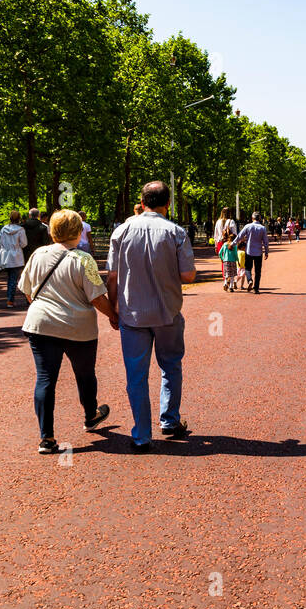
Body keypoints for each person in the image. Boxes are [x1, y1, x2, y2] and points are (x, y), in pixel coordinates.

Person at [106, 181, 197, 451]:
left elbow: (112, 276)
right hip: (167, 312)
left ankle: (141, 435)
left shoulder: (121, 231)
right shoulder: (176, 232)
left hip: (132, 314)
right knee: (170, 366)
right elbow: (188, 274)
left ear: (142, 201)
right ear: (167, 203)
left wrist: (114, 308)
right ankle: (169, 420)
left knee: (136, 375)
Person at [19, 208, 115, 455]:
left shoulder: (38, 254)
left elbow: (28, 291)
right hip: (78, 327)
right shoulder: (84, 259)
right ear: (78, 231)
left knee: (45, 378)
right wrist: (114, 316)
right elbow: (97, 298)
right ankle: (90, 414)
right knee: (84, 374)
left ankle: (46, 438)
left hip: (40, 324)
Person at [0, 210, 28, 306]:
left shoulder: (3, 229)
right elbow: (24, 244)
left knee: (10, 278)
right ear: (19, 219)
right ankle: (11, 299)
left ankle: (10, 299)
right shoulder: (21, 230)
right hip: (16, 256)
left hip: (5, 256)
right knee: (14, 278)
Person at [235, 211, 270, 294]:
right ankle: (256, 288)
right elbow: (265, 241)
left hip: (249, 251)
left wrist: (233, 244)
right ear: (260, 219)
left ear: (252, 218)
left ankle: (250, 280)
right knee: (258, 271)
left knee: (247, 268)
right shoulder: (262, 228)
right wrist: (266, 251)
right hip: (258, 251)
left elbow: (240, 236)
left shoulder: (248, 226)